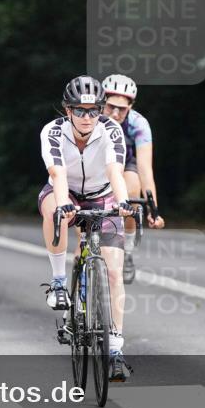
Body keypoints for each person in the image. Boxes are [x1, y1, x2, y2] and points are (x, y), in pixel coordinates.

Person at [39, 76, 134, 381]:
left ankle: (116, 349)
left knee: (115, 271)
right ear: (67, 110)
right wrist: (66, 203)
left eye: (93, 111)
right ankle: (57, 282)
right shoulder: (53, 131)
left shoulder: (110, 129)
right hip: (64, 191)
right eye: (79, 111)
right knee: (55, 210)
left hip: (102, 193)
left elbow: (114, 171)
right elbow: (57, 172)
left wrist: (123, 202)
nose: (86, 117)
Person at [101, 74, 166, 283]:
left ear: (131, 106)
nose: (116, 113)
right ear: (102, 101)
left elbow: (145, 168)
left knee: (131, 190)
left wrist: (152, 210)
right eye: (111, 106)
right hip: (95, 165)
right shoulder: (90, 118)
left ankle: (127, 251)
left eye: (122, 108)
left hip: (124, 163)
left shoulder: (139, 124)